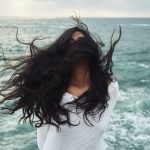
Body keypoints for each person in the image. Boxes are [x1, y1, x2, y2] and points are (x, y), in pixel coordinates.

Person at [0, 16, 121, 150]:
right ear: (63, 52)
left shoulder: (110, 89)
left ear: (90, 46)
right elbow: (43, 135)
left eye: (80, 41)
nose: (76, 46)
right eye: (70, 43)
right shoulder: (52, 91)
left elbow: (95, 132)